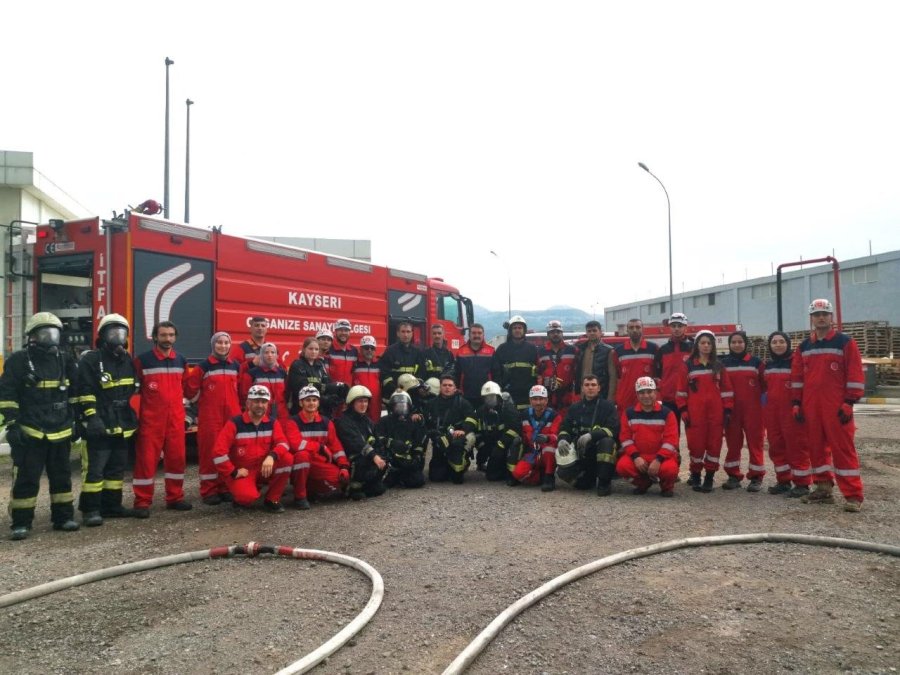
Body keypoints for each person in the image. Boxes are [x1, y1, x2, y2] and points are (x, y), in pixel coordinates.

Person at [1, 312, 80, 539]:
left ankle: (63, 518)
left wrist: (77, 421)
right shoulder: (18, 361)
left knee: (62, 477)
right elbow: (7, 395)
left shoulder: (65, 360)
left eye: (54, 332)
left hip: (61, 428)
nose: (50, 336)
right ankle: (21, 523)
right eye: (45, 332)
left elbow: (75, 393)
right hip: (31, 430)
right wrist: (13, 424)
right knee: (26, 479)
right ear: (32, 336)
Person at [791, 298, 865, 512]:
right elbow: (797, 378)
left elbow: (855, 374)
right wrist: (796, 403)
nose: (820, 317)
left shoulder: (844, 342)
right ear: (811, 318)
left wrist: (849, 402)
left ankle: (853, 495)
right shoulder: (804, 347)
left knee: (843, 449)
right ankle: (823, 489)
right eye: (816, 314)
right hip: (810, 406)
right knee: (816, 448)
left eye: (824, 313)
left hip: (836, 407)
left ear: (831, 317)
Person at [76, 314, 139, 526]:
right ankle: (91, 509)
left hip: (121, 423)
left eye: (121, 333)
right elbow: (84, 391)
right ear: (102, 335)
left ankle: (112, 506)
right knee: (94, 469)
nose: (117, 337)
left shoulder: (126, 359)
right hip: (99, 423)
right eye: (112, 332)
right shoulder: (91, 360)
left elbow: (131, 389)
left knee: (116, 468)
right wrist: (91, 417)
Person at [132, 320, 192, 517]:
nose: (168, 339)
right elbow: (134, 390)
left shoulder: (181, 360)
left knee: (177, 460)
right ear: (155, 337)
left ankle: (175, 498)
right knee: (146, 461)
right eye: (164, 335)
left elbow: (186, 388)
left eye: (171, 335)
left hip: (175, 419)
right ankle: (142, 502)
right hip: (151, 420)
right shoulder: (143, 361)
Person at [212, 385, 293, 512]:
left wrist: (272, 456)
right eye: (256, 401)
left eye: (264, 402)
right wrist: (233, 471)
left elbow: (283, 443)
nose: (260, 405)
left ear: (268, 404)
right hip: (243, 471)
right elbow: (218, 453)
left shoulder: (272, 423)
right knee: (246, 498)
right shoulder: (235, 423)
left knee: (287, 459)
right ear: (248, 403)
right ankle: (246, 491)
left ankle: (272, 499)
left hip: (263, 467)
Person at [184, 331, 242, 505]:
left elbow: (240, 390)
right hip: (210, 417)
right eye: (219, 342)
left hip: (232, 417)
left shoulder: (235, 366)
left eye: (226, 343)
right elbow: (190, 391)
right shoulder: (203, 367)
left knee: (230, 452)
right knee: (209, 453)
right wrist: (198, 406)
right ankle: (209, 491)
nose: (223, 346)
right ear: (213, 345)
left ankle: (225, 487)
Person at [676, 330, 734, 494]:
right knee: (695, 446)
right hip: (695, 413)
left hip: (716, 413)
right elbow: (681, 391)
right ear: (697, 345)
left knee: (714, 445)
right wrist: (684, 410)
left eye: (709, 343)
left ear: (713, 346)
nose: (706, 346)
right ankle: (695, 475)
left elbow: (726, 390)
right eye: (703, 343)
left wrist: (728, 409)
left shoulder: (718, 366)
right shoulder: (687, 366)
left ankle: (709, 477)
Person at [763, 331, 812, 498]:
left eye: (781, 341)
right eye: (774, 342)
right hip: (773, 413)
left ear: (788, 344)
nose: (778, 345)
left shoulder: (796, 363)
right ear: (770, 345)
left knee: (796, 446)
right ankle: (783, 480)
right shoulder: (768, 365)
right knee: (776, 446)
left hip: (792, 411)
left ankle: (802, 483)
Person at [282, 385, 349, 508]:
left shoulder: (326, 422)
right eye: (307, 400)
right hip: (300, 463)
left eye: (314, 400)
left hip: (320, 463)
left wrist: (343, 466)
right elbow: (296, 445)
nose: (311, 403)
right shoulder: (293, 422)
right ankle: (300, 497)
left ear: (318, 403)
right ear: (301, 403)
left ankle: (311, 488)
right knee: (302, 456)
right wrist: (319, 447)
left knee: (339, 480)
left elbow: (336, 446)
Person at [556, 374, 620, 496]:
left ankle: (604, 482)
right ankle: (587, 479)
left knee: (607, 442)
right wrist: (562, 440)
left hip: (598, 449)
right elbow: (565, 428)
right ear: (582, 388)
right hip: (581, 451)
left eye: (593, 385)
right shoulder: (574, 408)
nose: (590, 388)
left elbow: (613, 429)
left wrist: (591, 436)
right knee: (562, 473)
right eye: (587, 385)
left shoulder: (608, 407)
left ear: (599, 388)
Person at [616, 377, 679, 497]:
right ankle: (643, 483)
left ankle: (667, 487)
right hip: (639, 456)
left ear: (655, 392)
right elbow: (625, 438)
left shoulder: (667, 413)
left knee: (670, 470)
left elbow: (671, 441)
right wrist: (635, 457)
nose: (646, 396)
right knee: (622, 467)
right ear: (637, 395)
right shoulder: (629, 413)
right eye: (642, 392)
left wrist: (658, 460)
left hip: (661, 456)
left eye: (649, 392)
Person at [720, 331, 766, 492]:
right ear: (729, 344)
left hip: (754, 411)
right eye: (734, 342)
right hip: (732, 411)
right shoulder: (723, 364)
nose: (737, 345)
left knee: (755, 443)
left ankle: (756, 477)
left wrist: (764, 407)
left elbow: (765, 386)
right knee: (733, 444)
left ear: (745, 344)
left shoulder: (756, 363)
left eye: (740, 342)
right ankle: (733, 475)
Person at [335, 385, 388, 500]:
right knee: (362, 460)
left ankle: (366, 484)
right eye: (360, 401)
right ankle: (352, 487)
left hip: (368, 456)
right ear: (352, 402)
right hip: (352, 459)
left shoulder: (367, 421)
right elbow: (356, 442)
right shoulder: (343, 422)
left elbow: (377, 440)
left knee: (379, 488)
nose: (363, 404)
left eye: (365, 401)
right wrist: (374, 456)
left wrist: (381, 455)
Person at [424, 375, 478, 483]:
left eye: (450, 385)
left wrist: (463, 430)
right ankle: (446, 465)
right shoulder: (432, 404)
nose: (447, 388)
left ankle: (462, 462)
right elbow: (426, 423)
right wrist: (433, 434)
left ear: (455, 388)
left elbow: (472, 419)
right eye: (444, 385)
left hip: (456, 439)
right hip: (440, 441)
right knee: (436, 478)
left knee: (456, 478)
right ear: (440, 387)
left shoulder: (463, 403)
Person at [512, 384, 561, 492]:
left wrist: (547, 438)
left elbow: (557, 436)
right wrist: (519, 439)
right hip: (532, 452)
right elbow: (523, 434)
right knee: (518, 474)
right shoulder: (524, 414)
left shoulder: (554, 415)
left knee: (549, 449)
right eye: (535, 399)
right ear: (530, 400)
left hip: (546, 452)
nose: (538, 402)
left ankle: (549, 477)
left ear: (546, 400)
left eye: (541, 399)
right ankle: (539, 476)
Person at [654, 312, 694, 439]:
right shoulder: (662, 350)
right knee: (671, 434)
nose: (676, 329)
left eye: (680, 325)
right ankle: (674, 458)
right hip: (669, 400)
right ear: (670, 327)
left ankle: (695, 458)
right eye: (674, 325)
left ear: (685, 327)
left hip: (690, 398)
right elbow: (659, 374)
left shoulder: (693, 348)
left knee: (693, 433)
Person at [473, 381, 522, 482]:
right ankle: (489, 464)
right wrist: (481, 446)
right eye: (486, 397)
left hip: (506, 444)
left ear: (498, 396)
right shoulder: (481, 411)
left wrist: (501, 444)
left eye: (492, 397)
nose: (489, 400)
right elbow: (476, 430)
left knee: (515, 442)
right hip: (491, 444)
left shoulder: (508, 409)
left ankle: (510, 471)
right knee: (492, 476)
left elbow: (515, 429)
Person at [377, 390, 428, 489]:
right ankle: (394, 474)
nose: (401, 409)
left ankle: (401, 477)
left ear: (409, 406)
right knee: (383, 485)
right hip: (391, 458)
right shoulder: (384, 421)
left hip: (409, 459)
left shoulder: (414, 421)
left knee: (418, 481)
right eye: (398, 406)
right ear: (392, 406)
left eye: (403, 406)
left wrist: (417, 456)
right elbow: (378, 438)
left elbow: (420, 440)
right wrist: (391, 442)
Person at [609, 318, 659, 413]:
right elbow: (618, 376)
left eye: (637, 327)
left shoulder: (653, 348)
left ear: (642, 329)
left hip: (647, 398)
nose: (634, 330)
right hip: (625, 399)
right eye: (631, 327)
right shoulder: (619, 351)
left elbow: (658, 374)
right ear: (627, 330)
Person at [491, 315, 538, 411]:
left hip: (527, 393)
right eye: (514, 328)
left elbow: (539, 371)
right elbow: (496, 372)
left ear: (524, 330)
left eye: (520, 328)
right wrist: (500, 389)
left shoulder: (532, 349)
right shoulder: (502, 349)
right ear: (510, 331)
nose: (517, 330)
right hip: (508, 393)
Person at [287, 336, 343, 417]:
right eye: (310, 349)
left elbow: (327, 382)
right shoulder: (297, 365)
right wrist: (324, 394)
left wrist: (336, 391)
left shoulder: (320, 365)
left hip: (320, 412)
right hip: (300, 411)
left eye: (316, 349)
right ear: (304, 349)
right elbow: (302, 387)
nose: (313, 352)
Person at [240, 342, 289, 424]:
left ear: (277, 356)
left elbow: (287, 393)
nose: (270, 355)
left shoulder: (282, 373)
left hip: (281, 413)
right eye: (266, 352)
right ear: (261, 355)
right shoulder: (252, 373)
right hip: (259, 412)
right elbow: (244, 395)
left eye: (273, 352)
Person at [537, 320, 577, 416]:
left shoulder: (572, 350)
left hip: (567, 395)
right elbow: (538, 373)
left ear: (562, 334)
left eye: (558, 332)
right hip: (548, 395)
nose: (555, 334)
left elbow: (578, 371)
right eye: (552, 332)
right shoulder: (541, 351)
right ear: (548, 334)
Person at [378, 321, 422, 404]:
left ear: (412, 333)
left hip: (413, 393)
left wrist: (417, 387)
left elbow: (421, 371)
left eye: (408, 332)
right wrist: (395, 388)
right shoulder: (390, 351)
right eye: (403, 331)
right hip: (395, 394)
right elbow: (384, 373)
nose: (405, 335)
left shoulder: (417, 352)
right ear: (398, 333)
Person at [572, 320, 617, 401]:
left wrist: (610, 398)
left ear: (600, 332)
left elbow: (613, 376)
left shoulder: (608, 351)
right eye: (589, 331)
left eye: (594, 330)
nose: (592, 333)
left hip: (601, 393)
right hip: (583, 394)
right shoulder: (581, 349)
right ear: (586, 333)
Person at [455, 323, 495, 409]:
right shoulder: (460, 351)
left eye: (479, 333)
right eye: (473, 333)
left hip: (486, 394)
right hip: (466, 395)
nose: (476, 335)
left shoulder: (491, 351)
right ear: (469, 335)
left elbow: (496, 373)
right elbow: (456, 373)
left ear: (483, 335)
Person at [352, 335, 383, 423]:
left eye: (372, 348)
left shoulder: (379, 364)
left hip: (375, 402)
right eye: (366, 348)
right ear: (361, 349)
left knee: (375, 424)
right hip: (359, 401)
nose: (369, 350)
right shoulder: (355, 363)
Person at [327, 318, 358, 388]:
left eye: (346, 330)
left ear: (349, 332)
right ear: (335, 332)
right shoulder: (329, 349)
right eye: (340, 330)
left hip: (348, 392)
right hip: (331, 392)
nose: (343, 333)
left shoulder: (354, 351)